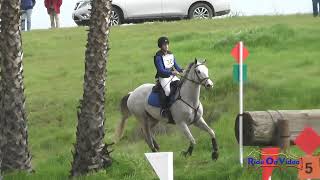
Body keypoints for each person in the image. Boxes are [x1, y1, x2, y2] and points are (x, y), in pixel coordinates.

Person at [154, 36, 184, 117]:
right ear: (160, 46)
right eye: (164, 45)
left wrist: (181, 70)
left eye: (167, 44)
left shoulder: (170, 54)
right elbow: (161, 70)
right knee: (167, 91)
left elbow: (175, 65)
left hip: (172, 75)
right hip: (163, 77)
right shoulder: (158, 56)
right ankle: (164, 109)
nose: (166, 46)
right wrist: (171, 72)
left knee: (181, 85)